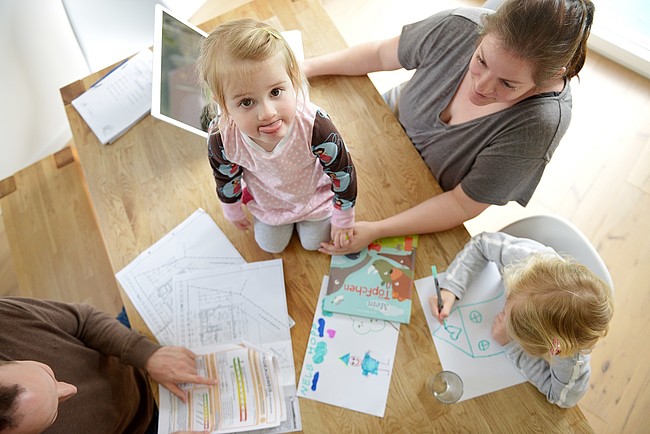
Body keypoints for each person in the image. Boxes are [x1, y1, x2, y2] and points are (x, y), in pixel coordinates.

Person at [303, 0, 595, 254]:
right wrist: (306, 69)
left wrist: (377, 230)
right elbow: (381, 54)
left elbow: (461, 204)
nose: (480, 86)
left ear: (548, 78)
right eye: (481, 60)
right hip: (378, 128)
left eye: (507, 83)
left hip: (418, 198)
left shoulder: (539, 124)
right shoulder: (458, 25)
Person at [197, 19, 358, 254]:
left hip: (314, 196)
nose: (268, 113)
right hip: (268, 203)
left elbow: (343, 172)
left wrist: (344, 217)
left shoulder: (316, 126)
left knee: (313, 243)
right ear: (223, 105)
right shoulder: (221, 138)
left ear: (293, 82)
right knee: (270, 245)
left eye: (275, 92)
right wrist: (231, 208)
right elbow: (225, 178)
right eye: (246, 102)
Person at [429, 232, 613, 407]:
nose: (503, 311)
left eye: (513, 324)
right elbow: (483, 243)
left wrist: (511, 345)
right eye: (509, 297)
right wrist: (452, 287)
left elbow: (562, 399)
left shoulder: (569, 360)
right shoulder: (527, 260)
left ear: (548, 348)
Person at [0, 297, 216, 433]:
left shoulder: (5, 322)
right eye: (54, 413)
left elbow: (84, 320)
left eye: (46, 372)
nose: (71, 389)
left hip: (127, 357)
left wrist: (147, 354)